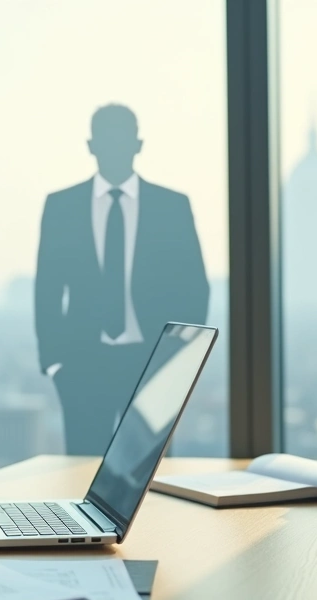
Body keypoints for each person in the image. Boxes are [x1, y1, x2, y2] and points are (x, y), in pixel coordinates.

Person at [34, 104, 209, 455]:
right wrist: (56, 365)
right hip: (82, 366)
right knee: (80, 476)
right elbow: (47, 291)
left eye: (122, 140)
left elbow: (195, 289)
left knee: (149, 481)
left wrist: (174, 361)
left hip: (151, 363)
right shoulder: (62, 206)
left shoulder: (171, 206)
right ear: (91, 146)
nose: (114, 148)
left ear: (138, 145)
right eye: (106, 140)